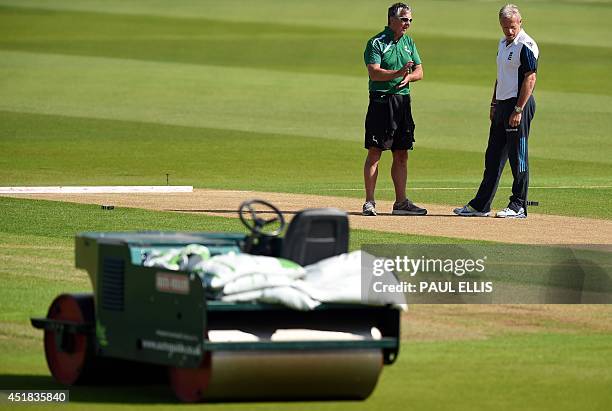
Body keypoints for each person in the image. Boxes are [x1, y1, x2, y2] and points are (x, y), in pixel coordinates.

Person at [454, 4, 539, 218]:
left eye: (512, 26)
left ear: (520, 22)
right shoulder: (503, 44)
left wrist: (518, 109)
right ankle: (481, 205)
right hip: (502, 105)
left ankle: (518, 204)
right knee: (493, 156)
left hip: (518, 104)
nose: (509, 31)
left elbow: (530, 78)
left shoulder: (526, 45)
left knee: (517, 156)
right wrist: (494, 104)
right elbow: (500, 76)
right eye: (505, 27)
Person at [362, 2, 427, 216]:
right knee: (375, 151)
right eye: (404, 19)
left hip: (403, 102)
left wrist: (408, 76)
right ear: (392, 20)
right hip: (381, 101)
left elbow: (420, 71)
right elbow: (375, 73)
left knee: (402, 153)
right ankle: (370, 202)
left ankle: (401, 203)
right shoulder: (376, 43)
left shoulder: (409, 42)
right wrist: (398, 73)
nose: (407, 23)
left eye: (409, 20)